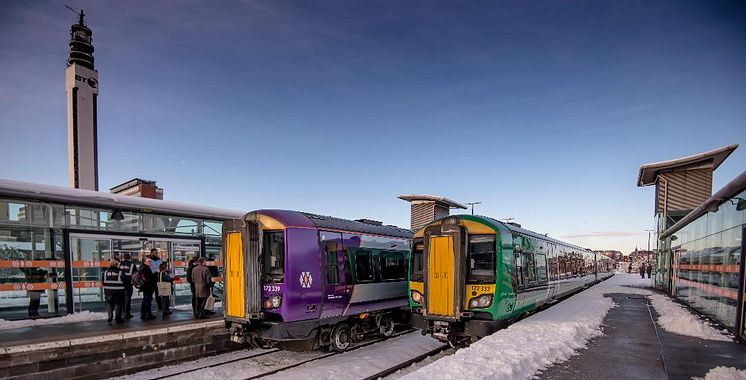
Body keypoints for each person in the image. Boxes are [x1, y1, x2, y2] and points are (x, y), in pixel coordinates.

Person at [119, 253, 136, 319]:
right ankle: (127, 313)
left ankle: (122, 312)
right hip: (128, 284)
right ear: (129, 257)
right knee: (127, 299)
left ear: (123, 257)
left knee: (122, 299)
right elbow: (135, 274)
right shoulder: (132, 265)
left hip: (120, 284)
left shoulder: (120, 264)